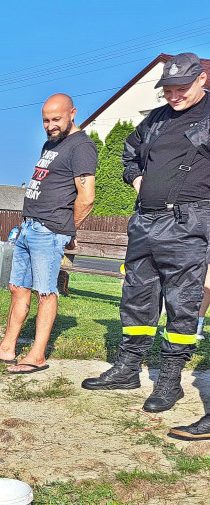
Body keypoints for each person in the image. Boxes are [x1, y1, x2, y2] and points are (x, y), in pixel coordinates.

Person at [83, 53, 210, 413]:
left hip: (189, 224)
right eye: (167, 90)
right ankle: (127, 369)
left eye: (181, 89)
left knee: (182, 303)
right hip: (145, 221)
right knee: (136, 296)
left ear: (201, 80)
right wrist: (135, 178)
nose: (173, 96)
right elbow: (129, 152)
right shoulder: (156, 119)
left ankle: (170, 381)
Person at [0, 94, 97, 373]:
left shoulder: (82, 146)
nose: (50, 125)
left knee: (45, 291)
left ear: (72, 114)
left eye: (56, 119)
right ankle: (7, 349)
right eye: (46, 120)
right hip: (29, 226)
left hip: (49, 231)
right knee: (17, 288)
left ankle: (37, 356)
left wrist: (67, 229)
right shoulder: (50, 144)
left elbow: (86, 197)